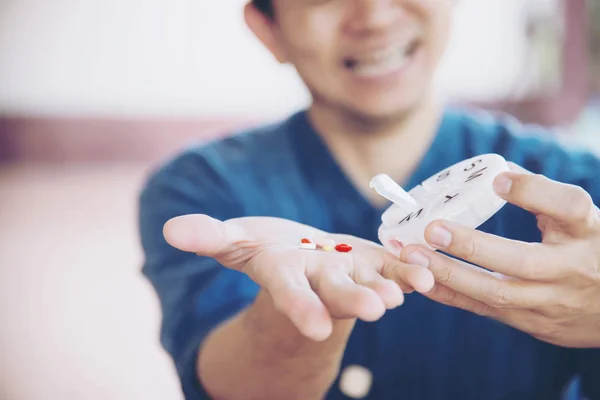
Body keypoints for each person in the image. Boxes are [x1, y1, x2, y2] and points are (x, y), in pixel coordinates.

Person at [138, 1, 600, 399]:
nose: (375, 16)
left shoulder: (578, 194)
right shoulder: (203, 189)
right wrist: (299, 317)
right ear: (269, 29)